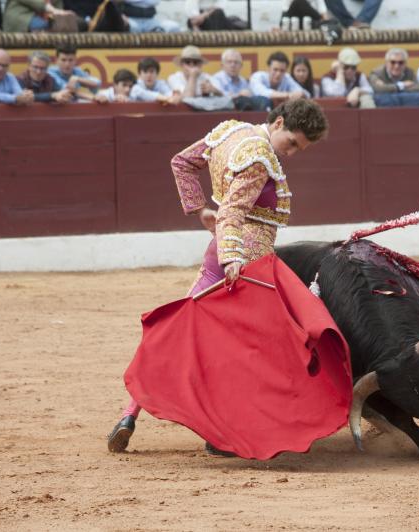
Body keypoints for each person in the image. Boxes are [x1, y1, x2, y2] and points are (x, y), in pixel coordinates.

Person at [106, 98, 330, 455]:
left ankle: (128, 415)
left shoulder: (230, 130)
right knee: (260, 352)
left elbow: (182, 163)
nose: (291, 153)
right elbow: (232, 213)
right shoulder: (259, 157)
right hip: (247, 265)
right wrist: (232, 261)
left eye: (299, 150)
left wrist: (199, 211)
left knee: (180, 330)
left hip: (221, 253)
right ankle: (223, 436)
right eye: (291, 143)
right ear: (279, 122)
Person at [3, 0, 72, 31]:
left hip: (46, 17)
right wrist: (54, 10)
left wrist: (62, 15)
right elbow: (35, 2)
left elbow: (58, 6)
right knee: (43, 26)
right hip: (22, 16)